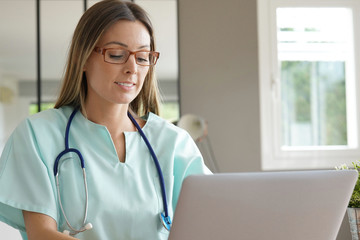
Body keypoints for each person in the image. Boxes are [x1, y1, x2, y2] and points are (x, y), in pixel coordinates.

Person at [0, 1, 209, 239]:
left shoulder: (174, 143)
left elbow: (211, 221)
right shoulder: (38, 135)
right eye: (117, 54)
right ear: (84, 58)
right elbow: (42, 234)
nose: (132, 68)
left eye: (142, 57)